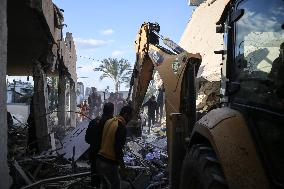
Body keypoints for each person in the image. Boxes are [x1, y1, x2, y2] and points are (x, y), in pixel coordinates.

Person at [96, 106, 133, 189]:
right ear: (126, 114)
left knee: (105, 186)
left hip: (99, 160)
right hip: (109, 163)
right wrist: (123, 170)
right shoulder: (121, 127)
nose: (130, 120)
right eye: (130, 117)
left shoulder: (109, 121)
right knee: (115, 186)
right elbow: (118, 150)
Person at [85, 102, 114, 187]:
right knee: (108, 180)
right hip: (107, 156)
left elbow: (87, 139)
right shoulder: (113, 124)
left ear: (103, 110)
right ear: (112, 111)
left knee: (95, 178)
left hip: (94, 154)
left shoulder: (94, 122)